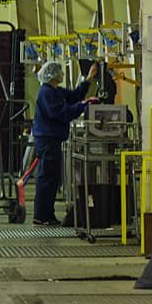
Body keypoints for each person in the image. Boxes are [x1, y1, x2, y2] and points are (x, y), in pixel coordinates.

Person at [29, 61, 98, 226]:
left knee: (52, 179)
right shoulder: (46, 93)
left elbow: (73, 96)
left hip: (52, 139)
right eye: (60, 72)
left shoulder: (55, 91)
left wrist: (88, 80)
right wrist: (82, 106)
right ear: (52, 75)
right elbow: (61, 113)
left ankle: (48, 215)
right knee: (47, 178)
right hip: (47, 140)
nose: (62, 74)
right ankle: (41, 216)